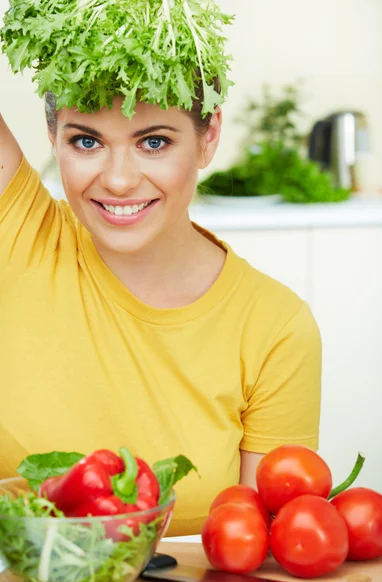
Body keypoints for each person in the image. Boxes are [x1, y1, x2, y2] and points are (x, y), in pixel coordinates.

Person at [0, 0, 322, 536]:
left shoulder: (276, 329)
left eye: (154, 142)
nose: (120, 180)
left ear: (208, 136)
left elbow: (262, 549)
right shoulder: (20, 232)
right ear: (53, 138)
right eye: (86, 141)